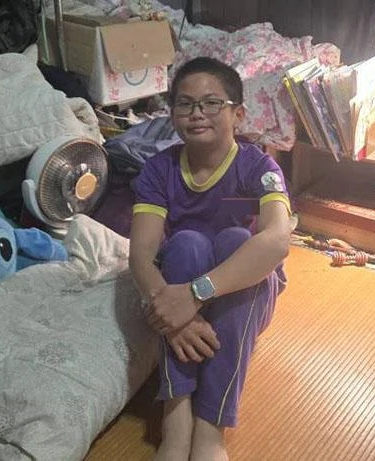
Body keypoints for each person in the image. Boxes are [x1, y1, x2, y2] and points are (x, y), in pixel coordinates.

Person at [129, 57, 292, 461]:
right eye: (185, 104)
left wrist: (194, 295)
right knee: (185, 244)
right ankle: (176, 417)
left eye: (211, 103)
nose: (197, 113)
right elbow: (141, 255)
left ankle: (211, 427)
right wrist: (172, 313)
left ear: (238, 114)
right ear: (172, 114)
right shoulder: (159, 169)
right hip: (180, 282)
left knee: (239, 240)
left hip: (243, 294)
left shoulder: (260, 167)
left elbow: (276, 242)